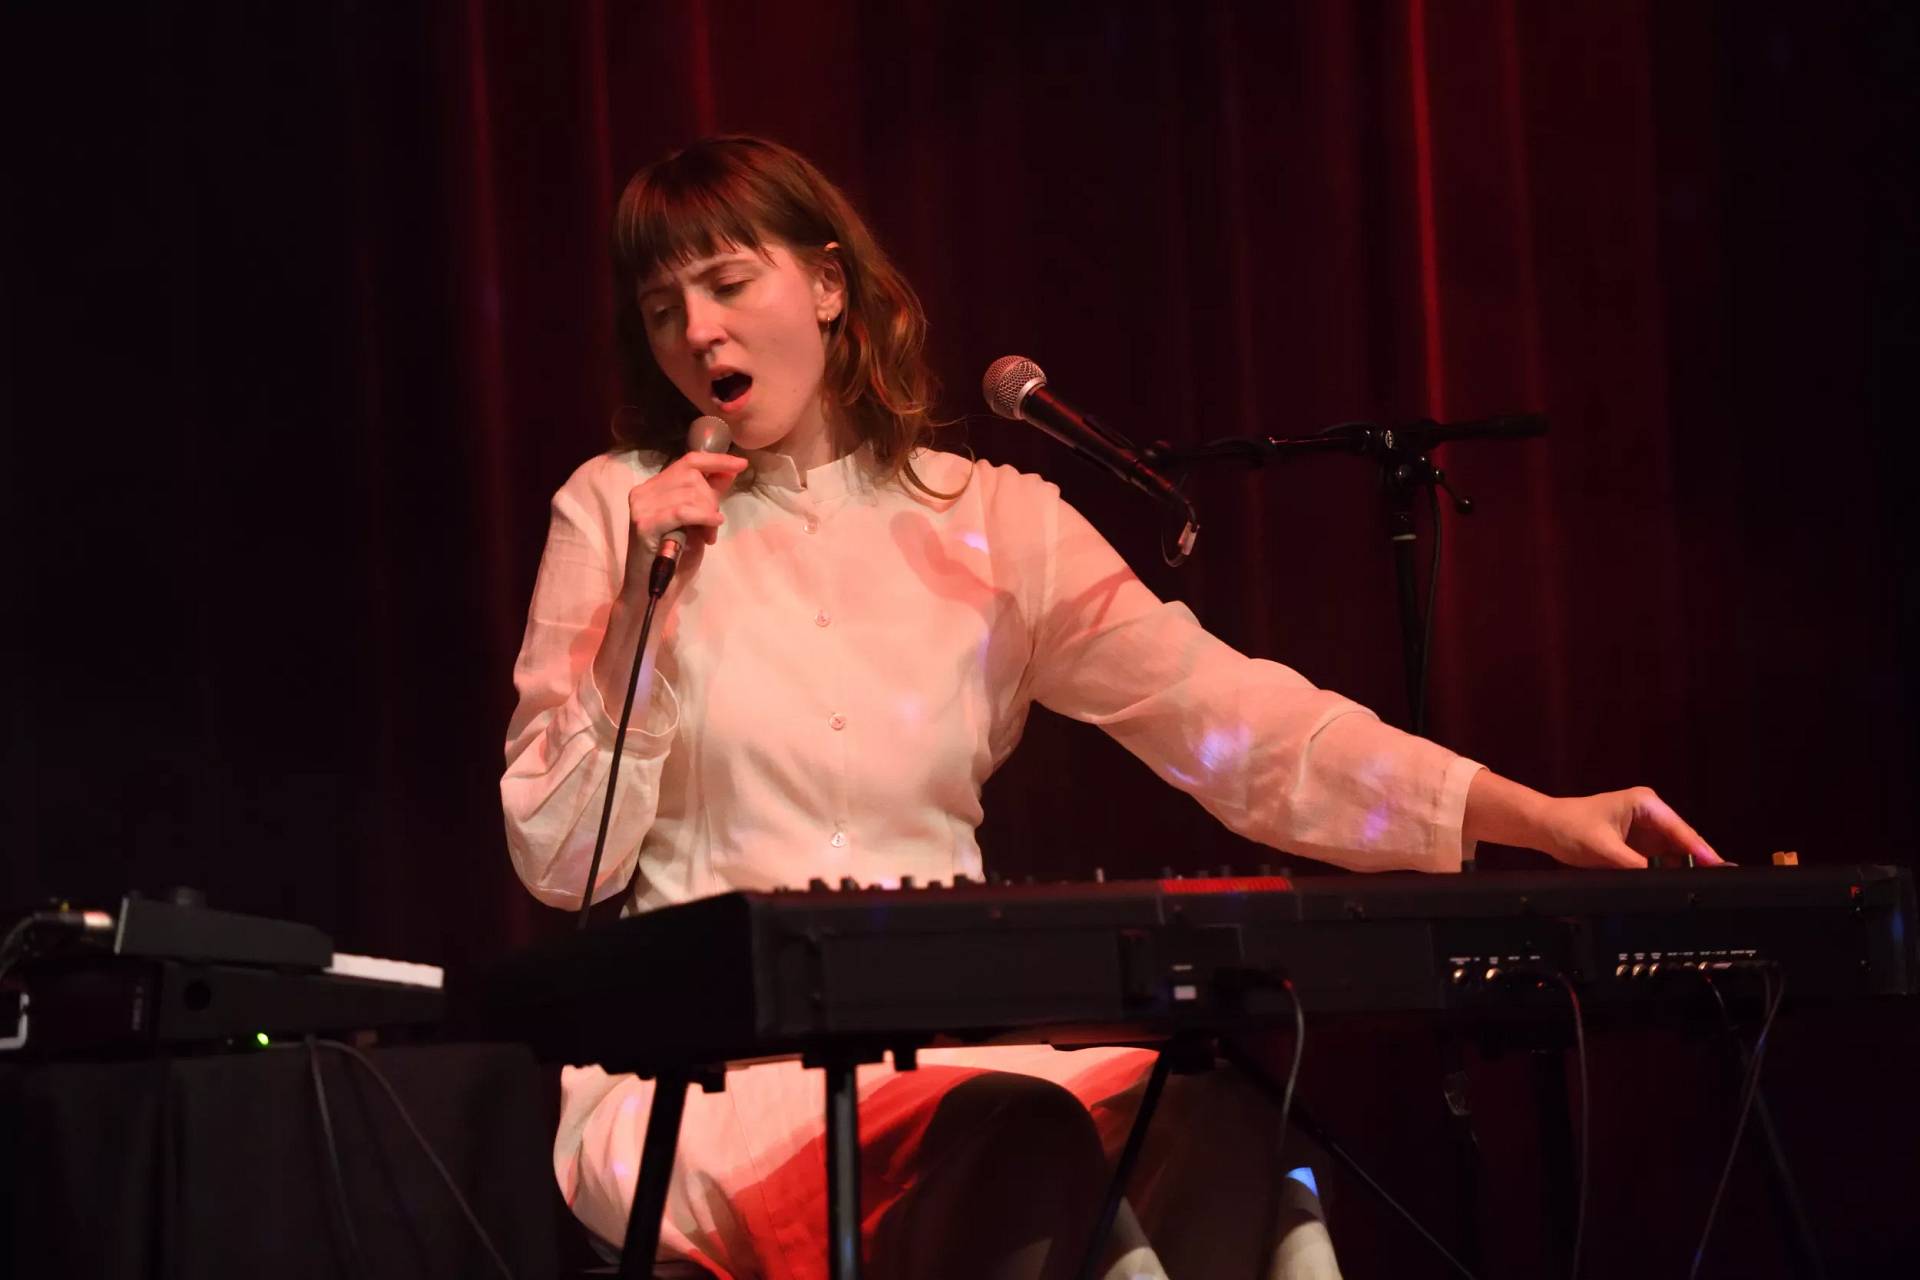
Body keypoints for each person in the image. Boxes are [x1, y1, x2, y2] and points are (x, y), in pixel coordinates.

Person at [501, 135, 1721, 1280]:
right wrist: (646, 614)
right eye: (660, 309)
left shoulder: (992, 518)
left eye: (725, 284)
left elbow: (1239, 724)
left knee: (1228, 1128)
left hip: (954, 1038)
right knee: (1016, 1136)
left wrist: (1535, 816)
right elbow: (563, 858)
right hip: (710, 1071)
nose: (695, 331)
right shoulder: (616, 509)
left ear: (827, 284)